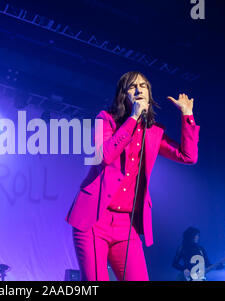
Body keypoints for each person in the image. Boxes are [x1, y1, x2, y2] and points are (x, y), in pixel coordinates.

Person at [65, 71, 200, 281]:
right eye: (132, 86)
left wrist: (187, 116)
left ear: (149, 94)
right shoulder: (106, 119)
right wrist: (133, 118)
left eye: (143, 86)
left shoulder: (154, 131)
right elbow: (105, 155)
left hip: (127, 226)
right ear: (123, 95)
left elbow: (188, 156)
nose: (138, 90)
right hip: (93, 220)